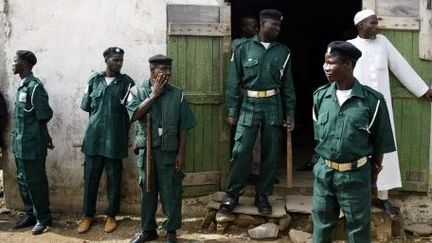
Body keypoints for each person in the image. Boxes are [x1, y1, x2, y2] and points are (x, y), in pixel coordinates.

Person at [347, 9, 432, 219]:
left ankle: (383, 196)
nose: (377, 27)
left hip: (381, 108)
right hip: (357, 109)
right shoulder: (349, 47)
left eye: (377, 23)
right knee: (356, 150)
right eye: (372, 23)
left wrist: (423, 89)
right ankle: (355, 197)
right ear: (360, 26)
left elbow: (401, 67)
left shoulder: (383, 42)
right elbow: (333, 70)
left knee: (383, 149)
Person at [312, 41, 395, 243]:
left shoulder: (372, 101)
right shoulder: (320, 97)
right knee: (320, 229)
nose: (326, 68)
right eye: (325, 63)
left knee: (358, 231)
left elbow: (380, 142)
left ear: (348, 64)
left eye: (331, 63)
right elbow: (318, 136)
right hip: (325, 175)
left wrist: (372, 173)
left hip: (356, 177)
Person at [219, 9, 295, 215]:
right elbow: (233, 82)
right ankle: (232, 194)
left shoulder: (283, 52)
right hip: (248, 104)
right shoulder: (243, 48)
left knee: (270, 153)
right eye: (274, 25)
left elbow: (288, 86)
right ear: (262, 25)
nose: (278, 29)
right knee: (240, 151)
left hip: (273, 104)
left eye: (280, 25)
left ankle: (262, 195)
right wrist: (233, 110)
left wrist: (290, 114)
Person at [127, 54, 197, 243]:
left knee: (171, 191)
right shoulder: (137, 91)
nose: (168, 73)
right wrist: (153, 95)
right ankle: (147, 230)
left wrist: (181, 153)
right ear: (152, 71)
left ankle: (171, 230)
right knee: (147, 192)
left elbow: (184, 126)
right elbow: (134, 115)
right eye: (163, 70)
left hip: (169, 151)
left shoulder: (177, 94)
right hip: (147, 151)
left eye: (169, 70)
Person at [78, 47, 135, 234]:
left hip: (115, 140)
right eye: (115, 60)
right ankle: (88, 215)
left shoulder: (127, 83)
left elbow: (132, 112)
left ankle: (111, 215)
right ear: (106, 60)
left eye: (121, 60)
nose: (118, 63)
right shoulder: (93, 81)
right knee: (90, 180)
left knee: (114, 179)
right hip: (93, 139)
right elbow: (87, 106)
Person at [12, 50, 54, 235]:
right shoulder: (22, 86)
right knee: (23, 181)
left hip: (33, 145)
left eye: (15, 61)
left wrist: (43, 136)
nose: (12, 64)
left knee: (35, 182)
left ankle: (43, 219)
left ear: (25, 64)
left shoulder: (34, 87)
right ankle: (31, 214)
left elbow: (45, 114)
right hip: (20, 144)